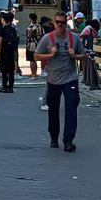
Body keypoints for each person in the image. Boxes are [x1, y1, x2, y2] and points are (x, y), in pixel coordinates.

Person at [35, 14, 85, 151]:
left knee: (71, 107)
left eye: (63, 22)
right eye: (58, 22)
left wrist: (75, 55)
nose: (60, 25)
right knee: (54, 109)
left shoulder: (74, 38)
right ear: (54, 23)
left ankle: (68, 140)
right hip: (53, 79)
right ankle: (53, 137)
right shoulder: (48, 38)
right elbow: (36, 55)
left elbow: (83, 54)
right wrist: (50, 55)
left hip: (70, 78)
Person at [0, 9, 20, 92]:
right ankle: (11, 87)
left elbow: (0, 42)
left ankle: (5, 86)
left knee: (4, 69)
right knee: (11, 69)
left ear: (4, 20)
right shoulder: (13, 29)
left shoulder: (3, 29)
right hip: (12, 50)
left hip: (4, 51)